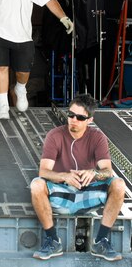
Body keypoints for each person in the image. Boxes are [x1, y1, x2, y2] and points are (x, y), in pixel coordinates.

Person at [30, 93, 126, 261]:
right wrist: (64, 176)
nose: (73, 119)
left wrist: (94, 173)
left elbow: (107, 170)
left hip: (87, 191)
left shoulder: (97, 137)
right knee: (36, 185)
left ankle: (101, 241)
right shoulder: (55, 135)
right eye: (70, 114)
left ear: (89, 120)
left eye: (80, 117)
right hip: (62, 190)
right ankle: (52, 240)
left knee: (118, 184)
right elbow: (44, 172)